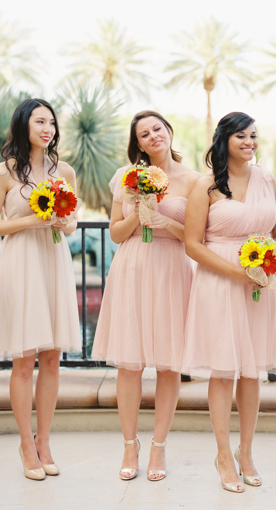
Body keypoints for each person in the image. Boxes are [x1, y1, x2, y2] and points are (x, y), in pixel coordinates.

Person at [92, 111, 201, 481]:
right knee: (130, 363)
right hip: (133, 266)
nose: (153, 135)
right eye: (144, 133)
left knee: (168, 363)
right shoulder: (126, 177)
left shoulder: (196, 181)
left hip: (172, 269)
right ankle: (129, 444)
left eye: (158, 128)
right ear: (137, 143)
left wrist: (164, 220)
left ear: (169, 131)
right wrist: (140, 211)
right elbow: (116, 234)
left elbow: (196, 238)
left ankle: (158, 447)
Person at [183, 112, 276, 493]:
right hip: (220, 282)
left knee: (252, 370)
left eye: (253, 136)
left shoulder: (267, 179)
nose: (249, 142)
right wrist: (235, 273)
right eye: (241, 135)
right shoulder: (206, 185)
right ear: (224, 139)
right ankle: (223, 454)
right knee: (224, 370)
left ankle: (247, 452)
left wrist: (268, 265)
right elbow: (192, 243)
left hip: (258, 284)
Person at [0, 99, 79, 481]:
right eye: (40, 121)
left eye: (52, 122)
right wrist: (30, 220)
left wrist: (57, 220)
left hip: (54, 258)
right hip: (22, 261)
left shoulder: (64, 171)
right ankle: (25, 443)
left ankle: (44, 441)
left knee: (52, 357)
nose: (48, 128)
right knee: (24, 360)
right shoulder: (3, 173)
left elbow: (71, 224)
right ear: (24, 125)